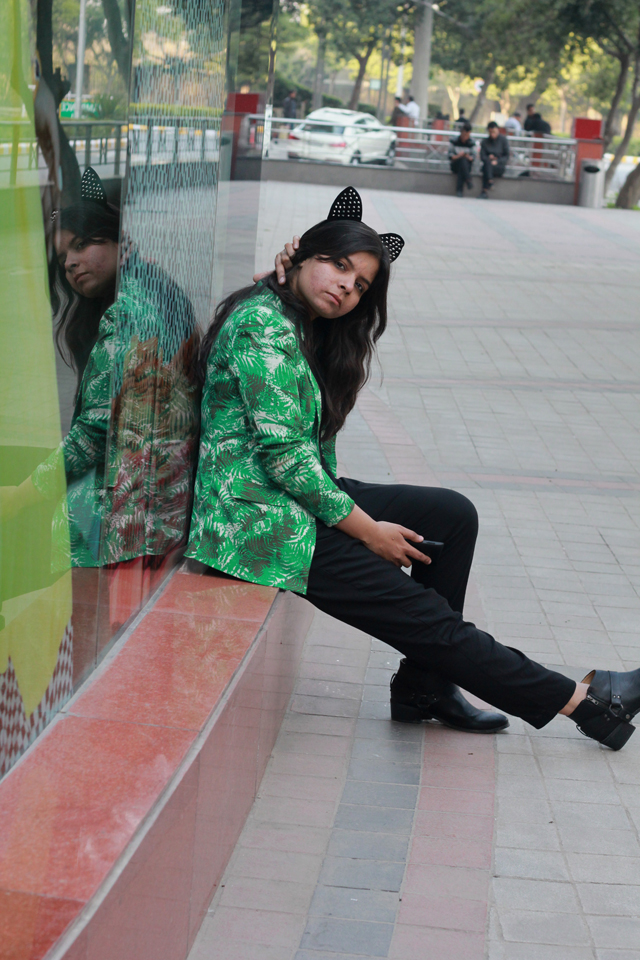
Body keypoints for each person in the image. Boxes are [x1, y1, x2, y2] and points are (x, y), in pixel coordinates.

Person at [186, 185, 640, 752]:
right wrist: (368, 532)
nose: (346, 287)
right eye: (338, 265)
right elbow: (286, 460)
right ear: (300, 257)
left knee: (450, 515)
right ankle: (587, 703)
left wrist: (289, 273)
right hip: (256, 524)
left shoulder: (290, 312)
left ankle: (425, 689)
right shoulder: (262, 326)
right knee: (426, 618)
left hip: (293, 500)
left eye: (360, 285)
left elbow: (299, 464)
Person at [2, 168, 200, 568]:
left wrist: (19, 497)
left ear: (118, 241)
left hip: (121, 522)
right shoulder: (156, 291)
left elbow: (94, 432)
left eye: (81, 245)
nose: (71, 264)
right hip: (158, 511)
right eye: (64, 258)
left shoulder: (128, 313)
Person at [480, 121, 509, 198]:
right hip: (488, 164)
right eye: (490, 132)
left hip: (499, 167)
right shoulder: (485, 142)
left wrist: (497, 161)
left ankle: (485, 190)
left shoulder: (503, 140)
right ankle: (490, 182)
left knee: (486, 167)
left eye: (494, 132)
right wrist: (489, 158)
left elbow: (506, 156)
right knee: (487, 165)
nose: (492, 134)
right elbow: (482, 156)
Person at [448, 121, 476, 197]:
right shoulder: (454, 141)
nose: (465, 137)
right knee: (462, 162)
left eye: (467, 135)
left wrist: (466, 156)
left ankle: (459, 190)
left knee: (463, 164)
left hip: (466, 166)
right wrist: (459, 156)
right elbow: (450, 156)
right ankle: (468, 180)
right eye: (464, 134)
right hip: (455, 165)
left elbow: (473, 157)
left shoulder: (471, 143)